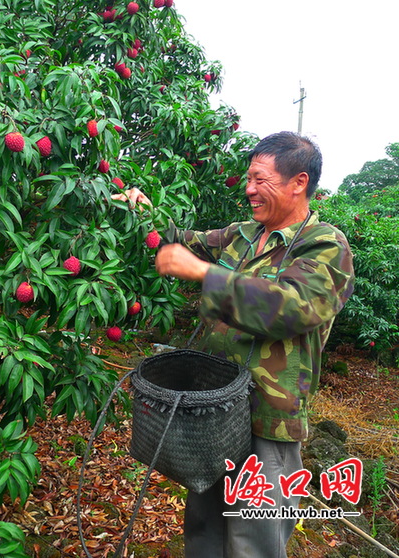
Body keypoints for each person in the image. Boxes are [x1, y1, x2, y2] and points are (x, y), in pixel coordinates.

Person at [112, 131, 355, 558]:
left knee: (253, 542)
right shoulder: (242, 235)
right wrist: (143, 210)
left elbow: (290, 309)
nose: (248, 189)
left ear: (298, 182)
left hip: (267, 420)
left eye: (261, 179)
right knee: (204, 526)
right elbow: (183, 239)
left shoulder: (325, 246)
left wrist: (206, 275)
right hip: (214, 408)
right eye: (248, 178)